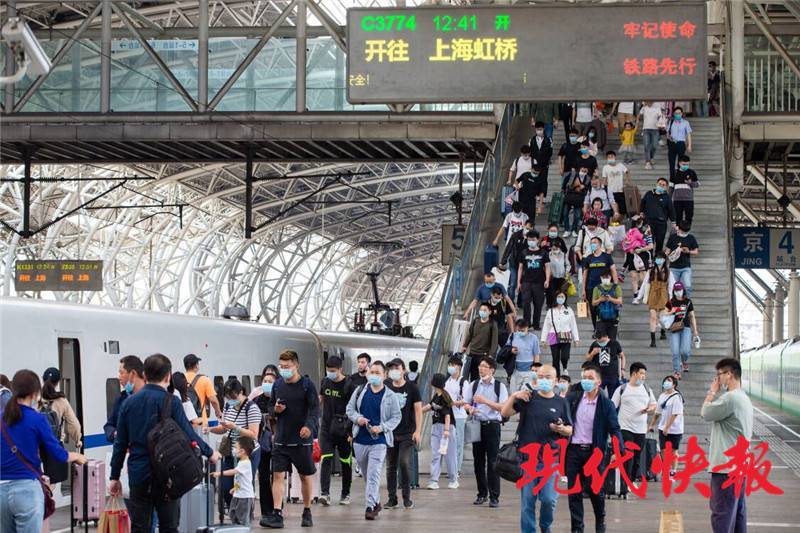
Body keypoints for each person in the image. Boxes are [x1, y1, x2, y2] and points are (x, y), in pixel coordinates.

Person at [109, 354, 220, 531]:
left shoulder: (128, 403)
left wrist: (114, 477)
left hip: (139, 475)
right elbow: (188, 432)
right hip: (167, 474)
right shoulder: (172, 401)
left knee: (140, 528)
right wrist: (210, 452)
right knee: (169, 527)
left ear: (144, 375)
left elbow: (120, 444)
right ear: (168, 376)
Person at [1, 370, 88, 533]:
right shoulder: (37, 418)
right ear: (35, 393)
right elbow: (58, 454)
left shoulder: (1, 417)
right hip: (26, 490)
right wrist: (76, 455)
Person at [501, 364, 572, 533]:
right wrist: (514, 396)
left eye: (548, 377)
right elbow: (504, 413)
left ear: (555, 381)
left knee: (548, 500)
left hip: (550, 460)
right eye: (540, 376)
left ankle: (545, 526)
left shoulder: (561, 402)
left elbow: (570, 429)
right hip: (528, 460)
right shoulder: (528, 398)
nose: (544, 380)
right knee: (528, 502)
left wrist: (562, 429)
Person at [262, 350, 320, 529]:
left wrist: (309, 427)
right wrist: (275, 411)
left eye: (287, 367)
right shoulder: (278, 385)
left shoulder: (307, 385)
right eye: (281, 366)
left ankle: (307, 510)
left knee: (304, 476)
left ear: (296, 366)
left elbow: (314, 409)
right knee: (278, 475)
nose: (284, 370)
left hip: (301, 441)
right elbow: (270, 407)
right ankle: (277, 513)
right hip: (281, 439)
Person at [565, 364, 624, 533]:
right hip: (574, 451)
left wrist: (617, 449)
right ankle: (577, 528)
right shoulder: (574, 398)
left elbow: (614, 428)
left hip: (594, 452)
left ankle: (600, 518)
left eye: (590, 378)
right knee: (574, 491)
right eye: (584, 377)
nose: (586, 381)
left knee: (594, 489)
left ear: (598, 381)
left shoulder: (606, 404)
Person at [701, 358, 753, 533]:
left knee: (722, 514)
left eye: (720, 374)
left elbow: (706, 412)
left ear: (729, 374)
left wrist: (711, 392)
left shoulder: (730, 398)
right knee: (738, 514)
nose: (718, 379)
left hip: (726, 469)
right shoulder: (744, 397)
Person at [346, 361, 402, 521]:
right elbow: (350, 410)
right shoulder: (359, 391)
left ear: (384, 376)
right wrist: (358, 419)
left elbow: (396, 417)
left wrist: (382, 427)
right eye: (372, 372)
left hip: (379, 441)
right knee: (366, 474)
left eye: (378, 373)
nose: (374, 375)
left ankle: (369, 507)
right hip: (360, 440)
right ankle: (376, 501)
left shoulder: (390, 396)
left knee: (373, 474)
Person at [207, 378, 262, 509]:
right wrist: (210, 429)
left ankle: (245, 514)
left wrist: (235, 427)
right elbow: (224, 429)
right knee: (226, 488)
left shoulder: (252, 408)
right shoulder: (228, 406)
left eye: (233, 396)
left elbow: (254, 434)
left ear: (241, 392)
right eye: (227, 397)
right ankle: (234, 511)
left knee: (243, 486)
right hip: (230, 451)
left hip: (247, 453)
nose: (230, 400)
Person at [463, 356, 509, 508]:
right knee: (478, 461)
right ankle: (481, 493)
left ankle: (494, 496)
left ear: (492, 369)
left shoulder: (499, 387)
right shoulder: (474, 384)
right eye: (480, 366)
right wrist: (469, 408)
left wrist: (485, 401)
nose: (481, 369)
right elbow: (465, 402)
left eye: (484, 366)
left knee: (493, 461)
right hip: (477, 424)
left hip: (492, 425)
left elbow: (504, 407)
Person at [383, 358, 422, 509]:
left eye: (396, 367)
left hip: (407, 433)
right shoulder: (386, 386)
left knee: (404, 463)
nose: (394, 370)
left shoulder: (412, 388)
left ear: (403, 370)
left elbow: (418, 410)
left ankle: (407, 497)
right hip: (390, 433)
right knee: (390, 466)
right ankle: (392, 498)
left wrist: (418, 431)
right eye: (391, 368)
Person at [611, 362, 656, 486]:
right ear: (634, 373)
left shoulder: (647, 389)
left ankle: (630, 480)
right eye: (641, 373)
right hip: (625, 427)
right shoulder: (622, 389)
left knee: (636, 457)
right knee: (628, 454)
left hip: (641, 429)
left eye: (644, 374)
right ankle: (625, 481)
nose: (643, 376)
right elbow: (612, 406)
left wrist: (649, 409)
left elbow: (653, 404)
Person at [317, 355, 352, 506]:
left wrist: (351, 431)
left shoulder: (349, 385)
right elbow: (320, 399)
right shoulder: (325, 382)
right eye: (328, 370)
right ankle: (325, 494)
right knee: (326, 459)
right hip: (326, 429)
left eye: (333, 371)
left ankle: (345, 494)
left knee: (346, 462)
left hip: (344, 430)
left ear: (340, 369)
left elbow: (354, 409)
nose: (330, 373)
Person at [250, 365, 278, 518]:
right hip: (262, 442)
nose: (267, 383)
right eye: (265, 380)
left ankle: (277, 507)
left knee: (278, 475)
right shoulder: (256, 398)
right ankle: (266, 510)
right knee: (264, 476)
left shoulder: (280, 398)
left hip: (278, 441)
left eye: (271, 379)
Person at [423, 373, 458, 490]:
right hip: (436, 428)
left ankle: (454, 479)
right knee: (435, 455)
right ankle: (433, 480)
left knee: (449, 456)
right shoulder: (436, 396)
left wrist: (447, 430)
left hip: (446, 428)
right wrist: (417, 412)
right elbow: (429, 406)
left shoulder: (444, 397)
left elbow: (447, 415)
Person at [212, 436, 256, 526]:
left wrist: (220, 473)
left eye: (236, 448)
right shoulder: (241, 462)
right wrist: (235, 488)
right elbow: (241, 480)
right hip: (238, 495)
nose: (234, 450)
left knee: (243, 520)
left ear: (242, 451)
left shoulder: (245, 463)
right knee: (233, 514)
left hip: (245, 498)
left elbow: (234, 472)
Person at [636, 251, 675, 347]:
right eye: (657, 258)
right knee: (653, 317)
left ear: (664, 260)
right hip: (653, 296)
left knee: (662, 318)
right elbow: (644, 284)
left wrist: (671, 299)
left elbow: (671, 286)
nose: (659, 260)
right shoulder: (651, 271)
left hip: (664, 296)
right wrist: (639, 297)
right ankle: (653, 340)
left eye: (661, 258)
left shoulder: (669, 272)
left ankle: (662, 331)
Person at [647, 375, 684, 480]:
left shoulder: (677, 397)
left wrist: (667, 427)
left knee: (673, 450)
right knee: (663, 449)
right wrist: (651, 425)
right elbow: (657, 412)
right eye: (665, 381)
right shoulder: (662, 396)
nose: (666, 383)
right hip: (662, 427)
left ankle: (673, 471)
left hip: (675, 429)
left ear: (674, 384)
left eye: (669, 381)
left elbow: (675, 414)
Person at [104, 355, 145, 442]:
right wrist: (115, 434)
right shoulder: (121, 399)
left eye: (122, 373)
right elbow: (109, 425)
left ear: (133, 374)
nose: (119, 377)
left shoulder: (153, 398)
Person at [581, 237, 618, 332]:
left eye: (595, 242)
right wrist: (583, 289)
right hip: (591, 288)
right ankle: (596, 329)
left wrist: (615, 286)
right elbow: (584, 274)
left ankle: (604, 329)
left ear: (600, 244)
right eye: (591, 243)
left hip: (605, 287)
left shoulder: (607, 257)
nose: (593, 244)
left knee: (603, 308)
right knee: (593, 310)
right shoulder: (588, 258)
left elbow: (613, 271)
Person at [664, 282, 700, 380]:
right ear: (673, 291)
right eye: (676, 290)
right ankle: (677, 371)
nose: (678, 292)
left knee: (685, 351)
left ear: (683, 290)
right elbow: (663, 313)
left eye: (679, 290)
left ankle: (684, 362)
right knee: (675, 351)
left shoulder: (688, 301)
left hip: (686, 327)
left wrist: (695, 330)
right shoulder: (671, 302)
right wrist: (671, 311)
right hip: (674, 328)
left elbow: (692, 316)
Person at [541, 290, 580, 377]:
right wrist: (543, 339)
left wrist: (576, 339)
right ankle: (557, 377)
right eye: (559, 296)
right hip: (553, 336)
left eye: (562, 297)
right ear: (555, 298)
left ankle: (565, 368)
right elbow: (546, 326)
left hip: (566, 335)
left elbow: (573, 325)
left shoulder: (569, 310)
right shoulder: (550, 311)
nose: (561, 298)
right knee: (555, 358)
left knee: (564, 356)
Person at [517, 230, 551, 331]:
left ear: (537, 240)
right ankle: (527, 323)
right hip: (526, 282)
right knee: (526, 303)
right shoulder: (524, 252)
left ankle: (536, 324)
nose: (531, 241)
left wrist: (547, 280)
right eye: (529, 239)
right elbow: (520, 268)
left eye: (533, 239)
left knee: (538, 303)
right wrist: (518, 282)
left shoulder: (543, 253)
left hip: (539, 282)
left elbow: (547, 267)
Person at [40, 367, 82, 448]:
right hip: (56, 446)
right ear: (58, 382)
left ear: (43, 380)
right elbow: (74, 424)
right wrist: (77, 440)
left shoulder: (36, 398)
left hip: (38, 448)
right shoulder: (61, 400)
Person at [460, 303, 499, 382]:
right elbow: (470, 334)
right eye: (481, 310)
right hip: (472, 353)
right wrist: (464, 346)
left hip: (483, 355)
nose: (482, 312)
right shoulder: (475, 320)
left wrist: (491, 355)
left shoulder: (492, 324)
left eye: (485, 310)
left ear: (490, 312)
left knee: (481, 376)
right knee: (470, 375)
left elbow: (494, 341)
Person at [444, 356, 468, 475]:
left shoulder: (463, 382)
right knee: (449, 444)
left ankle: (456, 469)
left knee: (458, 443)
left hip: (459, 416)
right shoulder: (447, 381)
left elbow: (466, 399)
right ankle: (450, 468)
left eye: (452, 365)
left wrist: (453, 403)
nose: (450, 367)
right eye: (449, 365)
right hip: (448, 416)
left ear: (459, 367)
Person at [184, 353, 223, 426]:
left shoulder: (179, 380)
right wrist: (218, 412)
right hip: (200, 422)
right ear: (196, 366)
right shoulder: (204, 379)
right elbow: (213, 400)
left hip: (184, 422)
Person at [585, 330, 626, 398]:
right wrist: (593, 353)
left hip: (612, 375)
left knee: (613, 397)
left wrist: (622, 369)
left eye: (600, 339)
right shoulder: (595, 344)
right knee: (598, 396)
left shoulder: (614, 343)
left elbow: (622, 356)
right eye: (597, 339)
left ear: (606, 337)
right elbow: (588, 359)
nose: (598, 341)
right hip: (599, 376)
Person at [501, 219, 534, 301]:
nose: (528, 230)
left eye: (530, 229)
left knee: (523, 285)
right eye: (527, 228)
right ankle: (510, 303)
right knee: (512, 284)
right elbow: (509, 248)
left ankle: (520, 302)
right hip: (513, 263)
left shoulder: (532, 239)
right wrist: (503, 261)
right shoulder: (515, 235)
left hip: (525, 265)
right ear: (523, 226)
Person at [504, 318, 541, 393]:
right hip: (515, 369)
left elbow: (536, 354)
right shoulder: (512, 336)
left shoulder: (533, 338)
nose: (520, 332)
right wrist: (511, 350)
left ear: (527, 328)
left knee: (526, 393)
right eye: (518, 330)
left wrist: (536, 371)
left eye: (522, 330)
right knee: (513, 393)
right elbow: (506, 349)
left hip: (529, 370)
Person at [639, 177, 676, 251]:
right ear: (656, 184)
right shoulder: (649, 193)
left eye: (663, 185)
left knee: (660, 243)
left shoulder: (667, 197)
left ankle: (657, 261)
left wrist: (673, 221)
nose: (661, 186)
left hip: (661, 224)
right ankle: (649, 260)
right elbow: (642, 203)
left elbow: (671, 210)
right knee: (649, 243)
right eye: (660, 184)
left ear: (666, 187)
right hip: (649, 223)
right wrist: (641, 212)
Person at [622, 219, 654, 302]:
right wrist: (629, 249)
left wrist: (641, 249)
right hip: (632, 256)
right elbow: (626, 243)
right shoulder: (631, 232)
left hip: (643, 256)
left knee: (642, 279)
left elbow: (651, 246)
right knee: (634, 277)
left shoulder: (648, 234)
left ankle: (641, 290)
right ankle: (635, 296)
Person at [665, 221, 700, 297]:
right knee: (673, 287)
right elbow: (667, 250)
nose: (684, 233)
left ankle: (687, 302)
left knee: (687, 285)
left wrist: (688, 251)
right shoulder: (673, 237)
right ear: (679, 229)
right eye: (683, 231)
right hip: (673, 267)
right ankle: (674, 303)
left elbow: (696, 251)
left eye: (686, 232)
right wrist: (663, 259)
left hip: (686, 267)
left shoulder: (691, 238)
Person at [591, 269, 623, 340]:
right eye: (603, 277)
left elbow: (620, 301)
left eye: (607, 277)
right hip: (600, 319)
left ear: (610, 277)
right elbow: (593, 303)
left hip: (614, 318)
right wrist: (600, 299)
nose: (605, 279)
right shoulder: (597, 288)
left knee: (612, 340)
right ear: (600, 278)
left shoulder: (616, 287)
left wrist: (611, 299)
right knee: (601, 341)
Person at [530, 121, 553, 210]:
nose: (539, 131)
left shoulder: (548, 140)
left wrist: (546, 161)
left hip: (544, 165)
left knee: (543, 182)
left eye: (540, 129)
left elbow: (550, 152)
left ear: (543, 129)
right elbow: (531, 152)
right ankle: (535, 199)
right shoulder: (532, 140)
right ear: (535, 130)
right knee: (534, 181)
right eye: (537, 129)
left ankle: (541, 200)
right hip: (535, 165)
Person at [543, 229, 570, 307]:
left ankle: (563, 304)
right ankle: (550, 305)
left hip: (562, 277)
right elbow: (545, 265)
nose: (555, 250)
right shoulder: (548, 255)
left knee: (562, 291)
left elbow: (568, 265)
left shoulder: (563, 255)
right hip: (552, 277)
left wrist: (566, 272)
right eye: (554, 249)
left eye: (557, 249)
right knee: (550, 292)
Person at [670, 156, 699, 226]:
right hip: (677, 200)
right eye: (684, 164)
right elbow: (671, 186)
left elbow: (697, 184)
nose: (685, 166)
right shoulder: (674, 172)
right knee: (677, 217)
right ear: (679, 163)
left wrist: (690, 183)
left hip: (688, 199)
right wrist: (669, 197)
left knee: (689, 216)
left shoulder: (692, 172)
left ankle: (686, 230)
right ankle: (678, 232)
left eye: (687, 164)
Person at [666, 106, 693, 180]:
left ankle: (680, 178)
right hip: (672, 144)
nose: (678, 114)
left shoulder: (685, 123)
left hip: (681, 144)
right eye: (676, 113)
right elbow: (667, 134)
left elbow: (688, 134)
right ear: (674, 114)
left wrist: (689, 145)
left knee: (680, 162)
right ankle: (672, 179)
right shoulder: (670, 122)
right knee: (671, 163)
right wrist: (669, 137)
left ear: (682, 114)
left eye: (679, 113)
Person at [601, 151, 630, 216]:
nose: (610, 158)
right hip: (611, 192)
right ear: (607, 158)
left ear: (615, 157)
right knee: (613, 211)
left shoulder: (620, 165)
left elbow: (627, 171)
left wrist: (627, 181)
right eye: (609, 157)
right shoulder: (605, 167)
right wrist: (603, 188)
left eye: (612, 156)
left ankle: (619, 223)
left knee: (622, 210)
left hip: (620, 191)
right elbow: (604, 179)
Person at [638, 101, 664, 169]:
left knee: (654, 146)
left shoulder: (657, 108)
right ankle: (647, 162)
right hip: (646, 129)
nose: (649, 102)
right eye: (647, 101)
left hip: (655, 129)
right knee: (646, 146)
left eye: (650, 101)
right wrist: (638, 121)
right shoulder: (644, 108)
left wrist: (661, 123)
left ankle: (651, 157)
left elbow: (660, 117)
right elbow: (639, 115)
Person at [562, 172, 589, 237]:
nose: (583, 172)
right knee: (565, 214)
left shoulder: (587, 177)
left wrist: (584, 186)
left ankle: (574, 230)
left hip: (579, 198)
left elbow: (587, 187)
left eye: (585, 170)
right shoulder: (572, 174)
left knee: (577, 216)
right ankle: (567, 230)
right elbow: (565, 183)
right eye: (582, 169)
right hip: (569, 197)